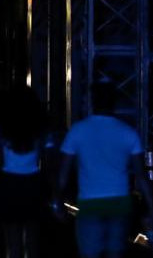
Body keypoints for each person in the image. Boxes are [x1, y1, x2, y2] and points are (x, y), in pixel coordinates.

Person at [54, 82, 153, 258]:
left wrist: (58, 202)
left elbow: (63, 174)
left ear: (92, 101)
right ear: (114, 102)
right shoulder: (128, 132)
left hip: (90, 204)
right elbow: (141, 177)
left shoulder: (77, 131)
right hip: (120, 204)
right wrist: (151, 208)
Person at [0, 86, 50, 258]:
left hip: (9, 184)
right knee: (32, 240)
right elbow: (48, 162)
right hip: (33, 183)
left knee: (12, 242)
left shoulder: (0, 129)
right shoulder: (40, 130)